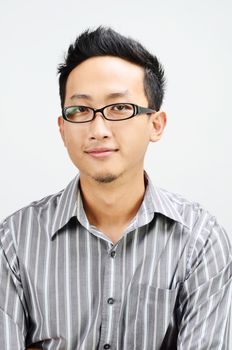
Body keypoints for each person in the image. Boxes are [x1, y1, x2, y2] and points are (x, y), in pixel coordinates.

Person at [0, 27, 231, 350]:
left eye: (119, 108)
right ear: (62, 129)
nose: (98, 129)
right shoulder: (14, 240)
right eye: (80, 110)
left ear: (156, 124)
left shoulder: (200, 241)